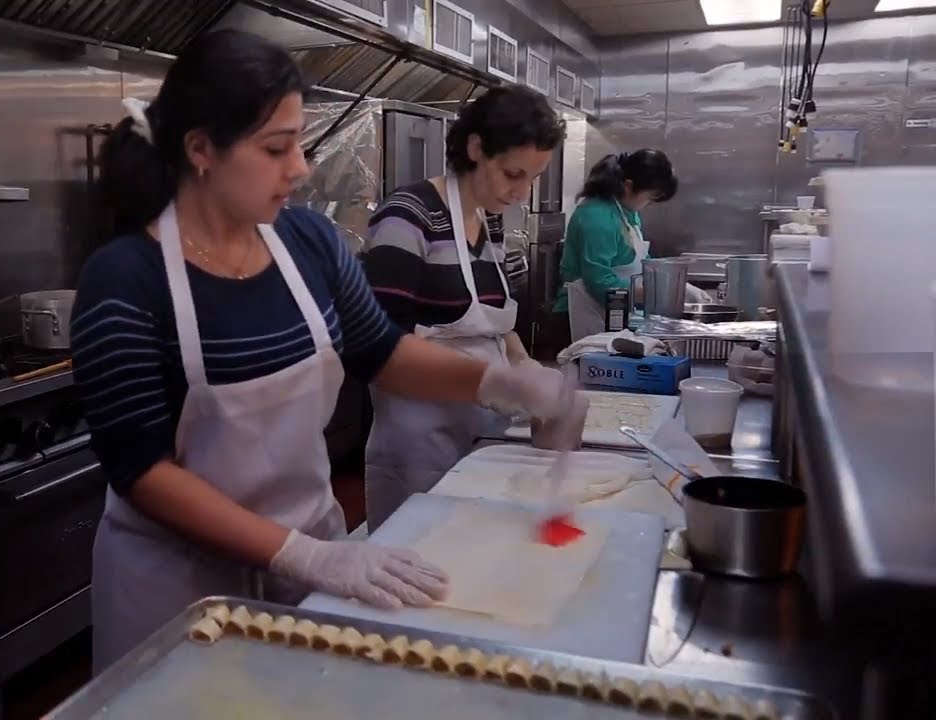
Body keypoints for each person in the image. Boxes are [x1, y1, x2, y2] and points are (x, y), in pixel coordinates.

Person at [69, 29, 585, 671]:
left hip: (312, 563)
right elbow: (141, 472)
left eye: (301, 143)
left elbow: (384, 352)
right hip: (179, 590)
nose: (301, 167)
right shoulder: (125, 279)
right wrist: (304, 554)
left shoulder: (309, 242)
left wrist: (505, 384)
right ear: (201, 150)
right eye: (276, 148)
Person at [360, 85, 566, 531]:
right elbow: (379, 348)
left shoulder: (489, 221)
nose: (522, 192)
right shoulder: (407, 217)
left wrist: (524, 365)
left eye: (533, 178)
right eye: (514, 174)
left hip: (482, 428)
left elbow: (493, 321)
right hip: (420, 439)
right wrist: (495, 382)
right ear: (476, 148)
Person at [551, 149, 709, 342]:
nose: (650, 204)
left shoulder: (626, 213)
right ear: (628, 186)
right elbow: (599, 282)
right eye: (650, 198)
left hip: (612, 313)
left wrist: (672, 282)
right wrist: (655, 292)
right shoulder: (597, 217)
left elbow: (642, 261)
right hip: (578, 316)